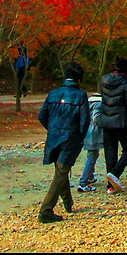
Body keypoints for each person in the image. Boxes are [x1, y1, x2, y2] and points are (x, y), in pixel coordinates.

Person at [36, 62, 90, 223]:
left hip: (54, 137)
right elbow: (84, 122)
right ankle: (46, 210)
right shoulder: (81, 96)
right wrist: (79, 137)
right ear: (79, 80)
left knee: (61, 170)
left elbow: (42, 116)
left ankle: (68, 203)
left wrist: (52, 128)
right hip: (70, 138)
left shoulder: (53, 94)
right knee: (61, 172)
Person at [98, 56, 127, 194]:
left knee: (110, 152)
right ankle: (115, 174)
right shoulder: (126, 82)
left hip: (106, 120)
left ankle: (110, 186)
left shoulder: (104, 80)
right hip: (121, 121)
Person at [77, 91, 104, 192]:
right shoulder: (98, 104)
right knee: (91, 156)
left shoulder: (86, 105)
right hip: (94, 134)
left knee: (93, 154)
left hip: (86, 132)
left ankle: (90, 177)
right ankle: (83, 182)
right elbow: (96, 118)